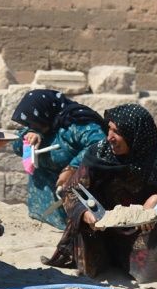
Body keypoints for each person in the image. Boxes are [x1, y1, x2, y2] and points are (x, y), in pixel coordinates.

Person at [46, 103, 157, 282]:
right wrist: (86, 214)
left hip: (143, 234)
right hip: (103, 233)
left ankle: (147, 270)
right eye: (109, 129)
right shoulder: (99, 154)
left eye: (117, 132)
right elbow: (71, 192)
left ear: (136, 135)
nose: (110, 137)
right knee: (81, 219)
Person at [10, 89, 106, 229]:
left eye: (35, 124)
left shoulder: (77, 125)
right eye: (30, 124)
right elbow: (17, 147)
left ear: (46, 113)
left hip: (74, 193)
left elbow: (100, 144)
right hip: (43, 204)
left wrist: (72, 168)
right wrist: (31, 134)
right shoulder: (40, 126)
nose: (32, 126)